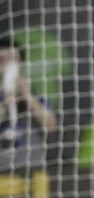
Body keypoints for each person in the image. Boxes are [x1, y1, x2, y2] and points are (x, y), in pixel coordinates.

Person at [0, 36, 56, 174]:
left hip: (31, 170)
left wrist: (26, 94)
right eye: (3, 60)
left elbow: (50, 125)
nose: (8, 65)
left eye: (13, 60)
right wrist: (6, 102)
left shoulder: (35, 96)